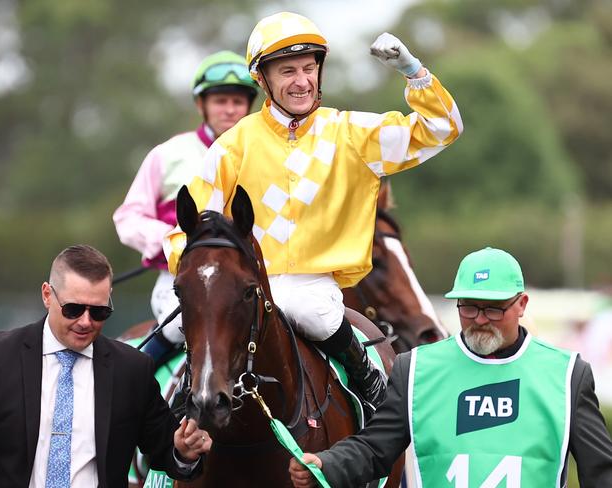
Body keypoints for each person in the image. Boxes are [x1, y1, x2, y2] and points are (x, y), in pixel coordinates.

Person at [164, 11, 463, 414]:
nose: (302, 81)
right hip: (247, 285)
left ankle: (371, 386)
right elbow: (193, 230)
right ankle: (175, 431)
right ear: (262, 79)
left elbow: (443, 129)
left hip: (315, 286)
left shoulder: (353, 135)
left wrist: (413, 72)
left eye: (309, 68)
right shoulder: (232, 147)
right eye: (287, 71)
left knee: (315, 313)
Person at [289, 247, 612, 487]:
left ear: (522, 304)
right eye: (469, 307)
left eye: (494, 309)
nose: (481, 319)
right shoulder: (414, 369)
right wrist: (326, 465)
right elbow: (376, 449)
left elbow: (599, 471)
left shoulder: (567, 374)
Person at [0, 244, 212, 487]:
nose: (85, 322)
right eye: (73, 309)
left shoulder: (132, 370)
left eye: (99, 312)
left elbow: (167, 452)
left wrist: (184, 452)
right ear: (47, 295)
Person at [113, 51, 258, 366]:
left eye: (238, 101)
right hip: (183, 278)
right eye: (221, 101)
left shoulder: (265, 156)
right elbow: (128, 218)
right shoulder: (168, 154)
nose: (230, 109)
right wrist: (175, 239)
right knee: (180, 328)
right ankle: (132, 386)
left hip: (251, 279)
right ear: (201, 105)